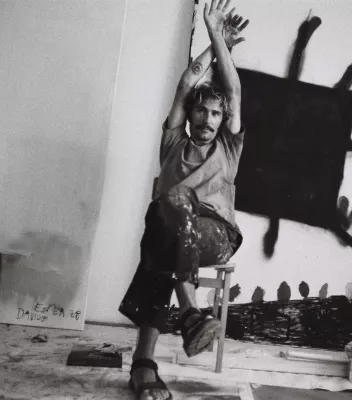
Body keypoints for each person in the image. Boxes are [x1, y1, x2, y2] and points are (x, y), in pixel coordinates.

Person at [118, 1, 249, 399]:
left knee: (171, 210)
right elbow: (186, 82)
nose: (208, 119)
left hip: (216, 235)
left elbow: (233, 91)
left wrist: (218, 38)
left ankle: (176, 325)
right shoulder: (174, 141)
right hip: (174, 232)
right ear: (189, 114)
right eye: (201, 111)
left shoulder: (228, 147)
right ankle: (160, 349)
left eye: (215, 114)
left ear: (222, 118)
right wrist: (212, 44)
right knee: (164, 223)